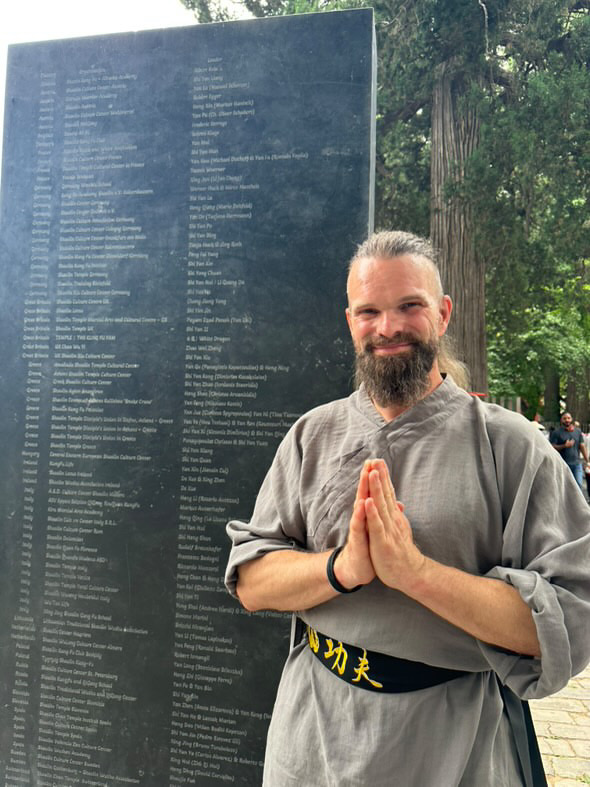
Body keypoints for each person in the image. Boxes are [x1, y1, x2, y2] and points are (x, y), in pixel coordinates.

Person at [225, 231, 590, 786]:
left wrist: (415, 574)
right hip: (312, 739)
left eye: (409, 307)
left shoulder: (510, 447)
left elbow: (567, 623)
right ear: (351, 322)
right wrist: (342, 569)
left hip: (450, 746)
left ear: (442, 314)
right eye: (369, 311)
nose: (388, 327)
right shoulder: (312, 435)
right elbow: (251, 580)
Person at [549, 412, 589, 491]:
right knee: (564, 487)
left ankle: (576, 503)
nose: (567, 420)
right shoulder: (556, 433)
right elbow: (551, 447)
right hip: (563, 464)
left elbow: (582, 446)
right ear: (561, 420)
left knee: (578, 484)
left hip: (576, 464)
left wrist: (587, 460)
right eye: (564, 418)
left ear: (571, 419)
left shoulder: (577, 431)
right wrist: (564, 446)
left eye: (568, 418)